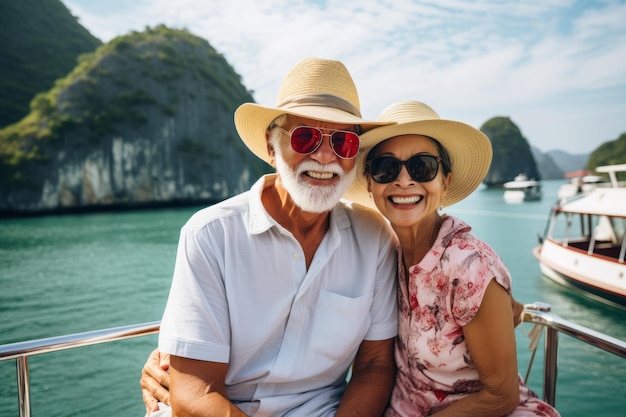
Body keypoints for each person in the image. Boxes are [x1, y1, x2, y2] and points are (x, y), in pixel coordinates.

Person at [142, 57, 400, 417]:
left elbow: (375, 364)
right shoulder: (211, 235)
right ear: (271, 147)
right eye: (305, 136)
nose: (326, 156)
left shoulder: (375, 238)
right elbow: (194, 394)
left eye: (343, 141)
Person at [343, 100, 560, 416]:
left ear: (444, 182)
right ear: (370, 184)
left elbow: (501, 395)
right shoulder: (382, 250)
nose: (404, 180)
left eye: (422, 167)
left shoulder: (470, 266)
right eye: (385, 168)